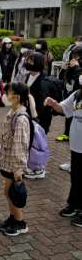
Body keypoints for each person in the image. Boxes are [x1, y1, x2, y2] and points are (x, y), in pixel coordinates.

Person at [45, 77, 82, 226]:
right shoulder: (77, 94)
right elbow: (64, 108)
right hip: (76, 144)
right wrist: (53, 104)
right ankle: (74, 204)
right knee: (76, 176)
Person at [0, 82, 31, 236]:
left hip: (14, 164)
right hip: (8, 161)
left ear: (16, 97)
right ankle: (13, 218)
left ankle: (20, 223)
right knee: (8, 191)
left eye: (8, 93)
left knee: (13, 193)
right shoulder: (13, 112)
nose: (5, 96)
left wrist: (18, 168)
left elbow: (20, 145)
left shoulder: (21, 118)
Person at [23, 50, 56, 179]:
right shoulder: (29, 76)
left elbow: (42, 102)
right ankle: (32, 165)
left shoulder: (44, 80)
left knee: (38, 143)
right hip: (30, 114)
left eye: (30, 60)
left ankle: (39, 168)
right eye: (28, 60)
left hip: (40, 117)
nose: (27, 62)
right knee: (31, 141)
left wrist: (36, 118)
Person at [57, 47, 82, 141]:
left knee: (77, 114)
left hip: (78, 94)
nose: (75, 58)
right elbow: (60, 78)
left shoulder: (78, 68)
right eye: (73, 56)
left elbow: (80, 80)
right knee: (69, 113)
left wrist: (77, 67)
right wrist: (64, 68)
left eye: (77, 56)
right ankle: (66, 133)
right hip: (70, 93)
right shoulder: (72, 66)